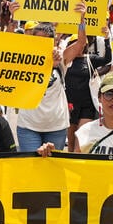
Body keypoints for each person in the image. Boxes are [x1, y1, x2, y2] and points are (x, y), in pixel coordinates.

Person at [15, 23, 70, 153]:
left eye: (45, 40)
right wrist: (13, 16)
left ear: (53, 41)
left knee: (52, 168)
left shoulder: (61, 58)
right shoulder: (23, 59)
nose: (41, 43)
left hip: (56, 127)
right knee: (30, 168)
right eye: (38, 39)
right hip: (28, 126)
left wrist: (82, 22)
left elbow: (80, 44)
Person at [62, 2, 110, 151]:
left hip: (87, 106)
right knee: (70, 144)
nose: (76, 46)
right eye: (72, 43)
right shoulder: (65, 61)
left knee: (80, 143)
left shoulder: (90, 59)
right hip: (69, 106)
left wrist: (108, 39)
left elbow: (106, 59)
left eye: (78, 43)